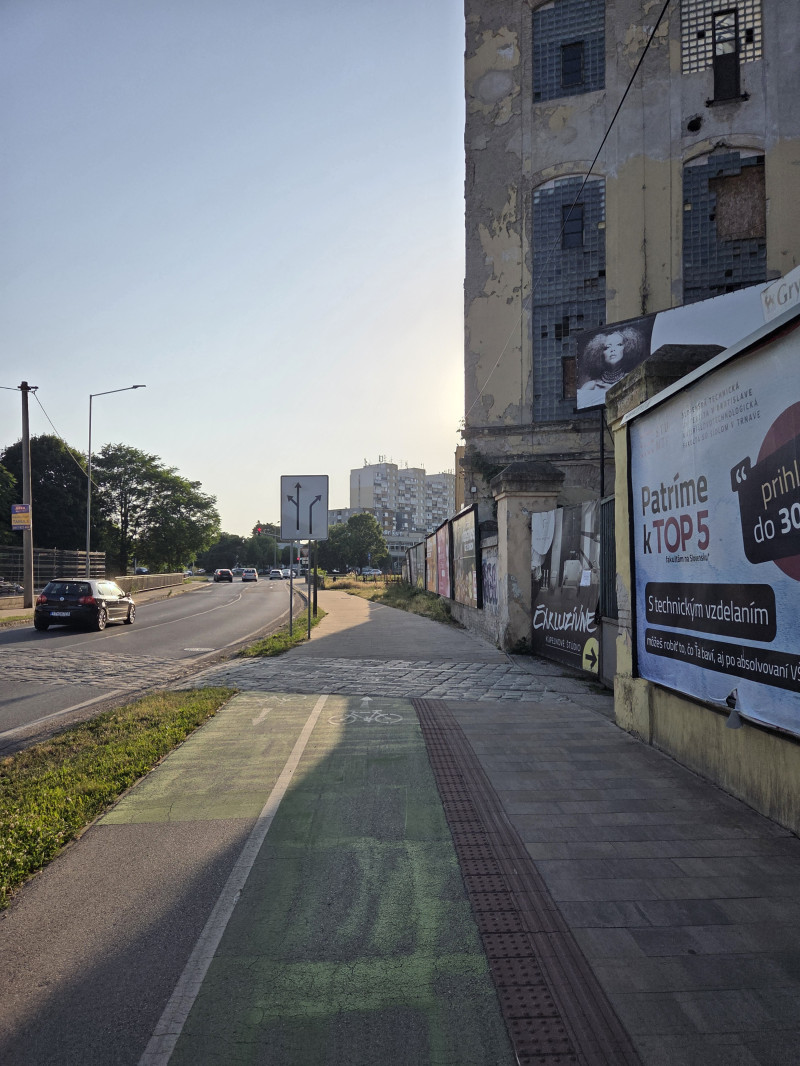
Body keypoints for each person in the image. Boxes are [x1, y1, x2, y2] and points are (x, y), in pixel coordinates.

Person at [576, 327, 645, 407]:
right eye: (607, 347)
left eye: (619, 345)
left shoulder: (632, 378)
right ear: (600, 353)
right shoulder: (591, 386)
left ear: (626, 348)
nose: (612, 350)